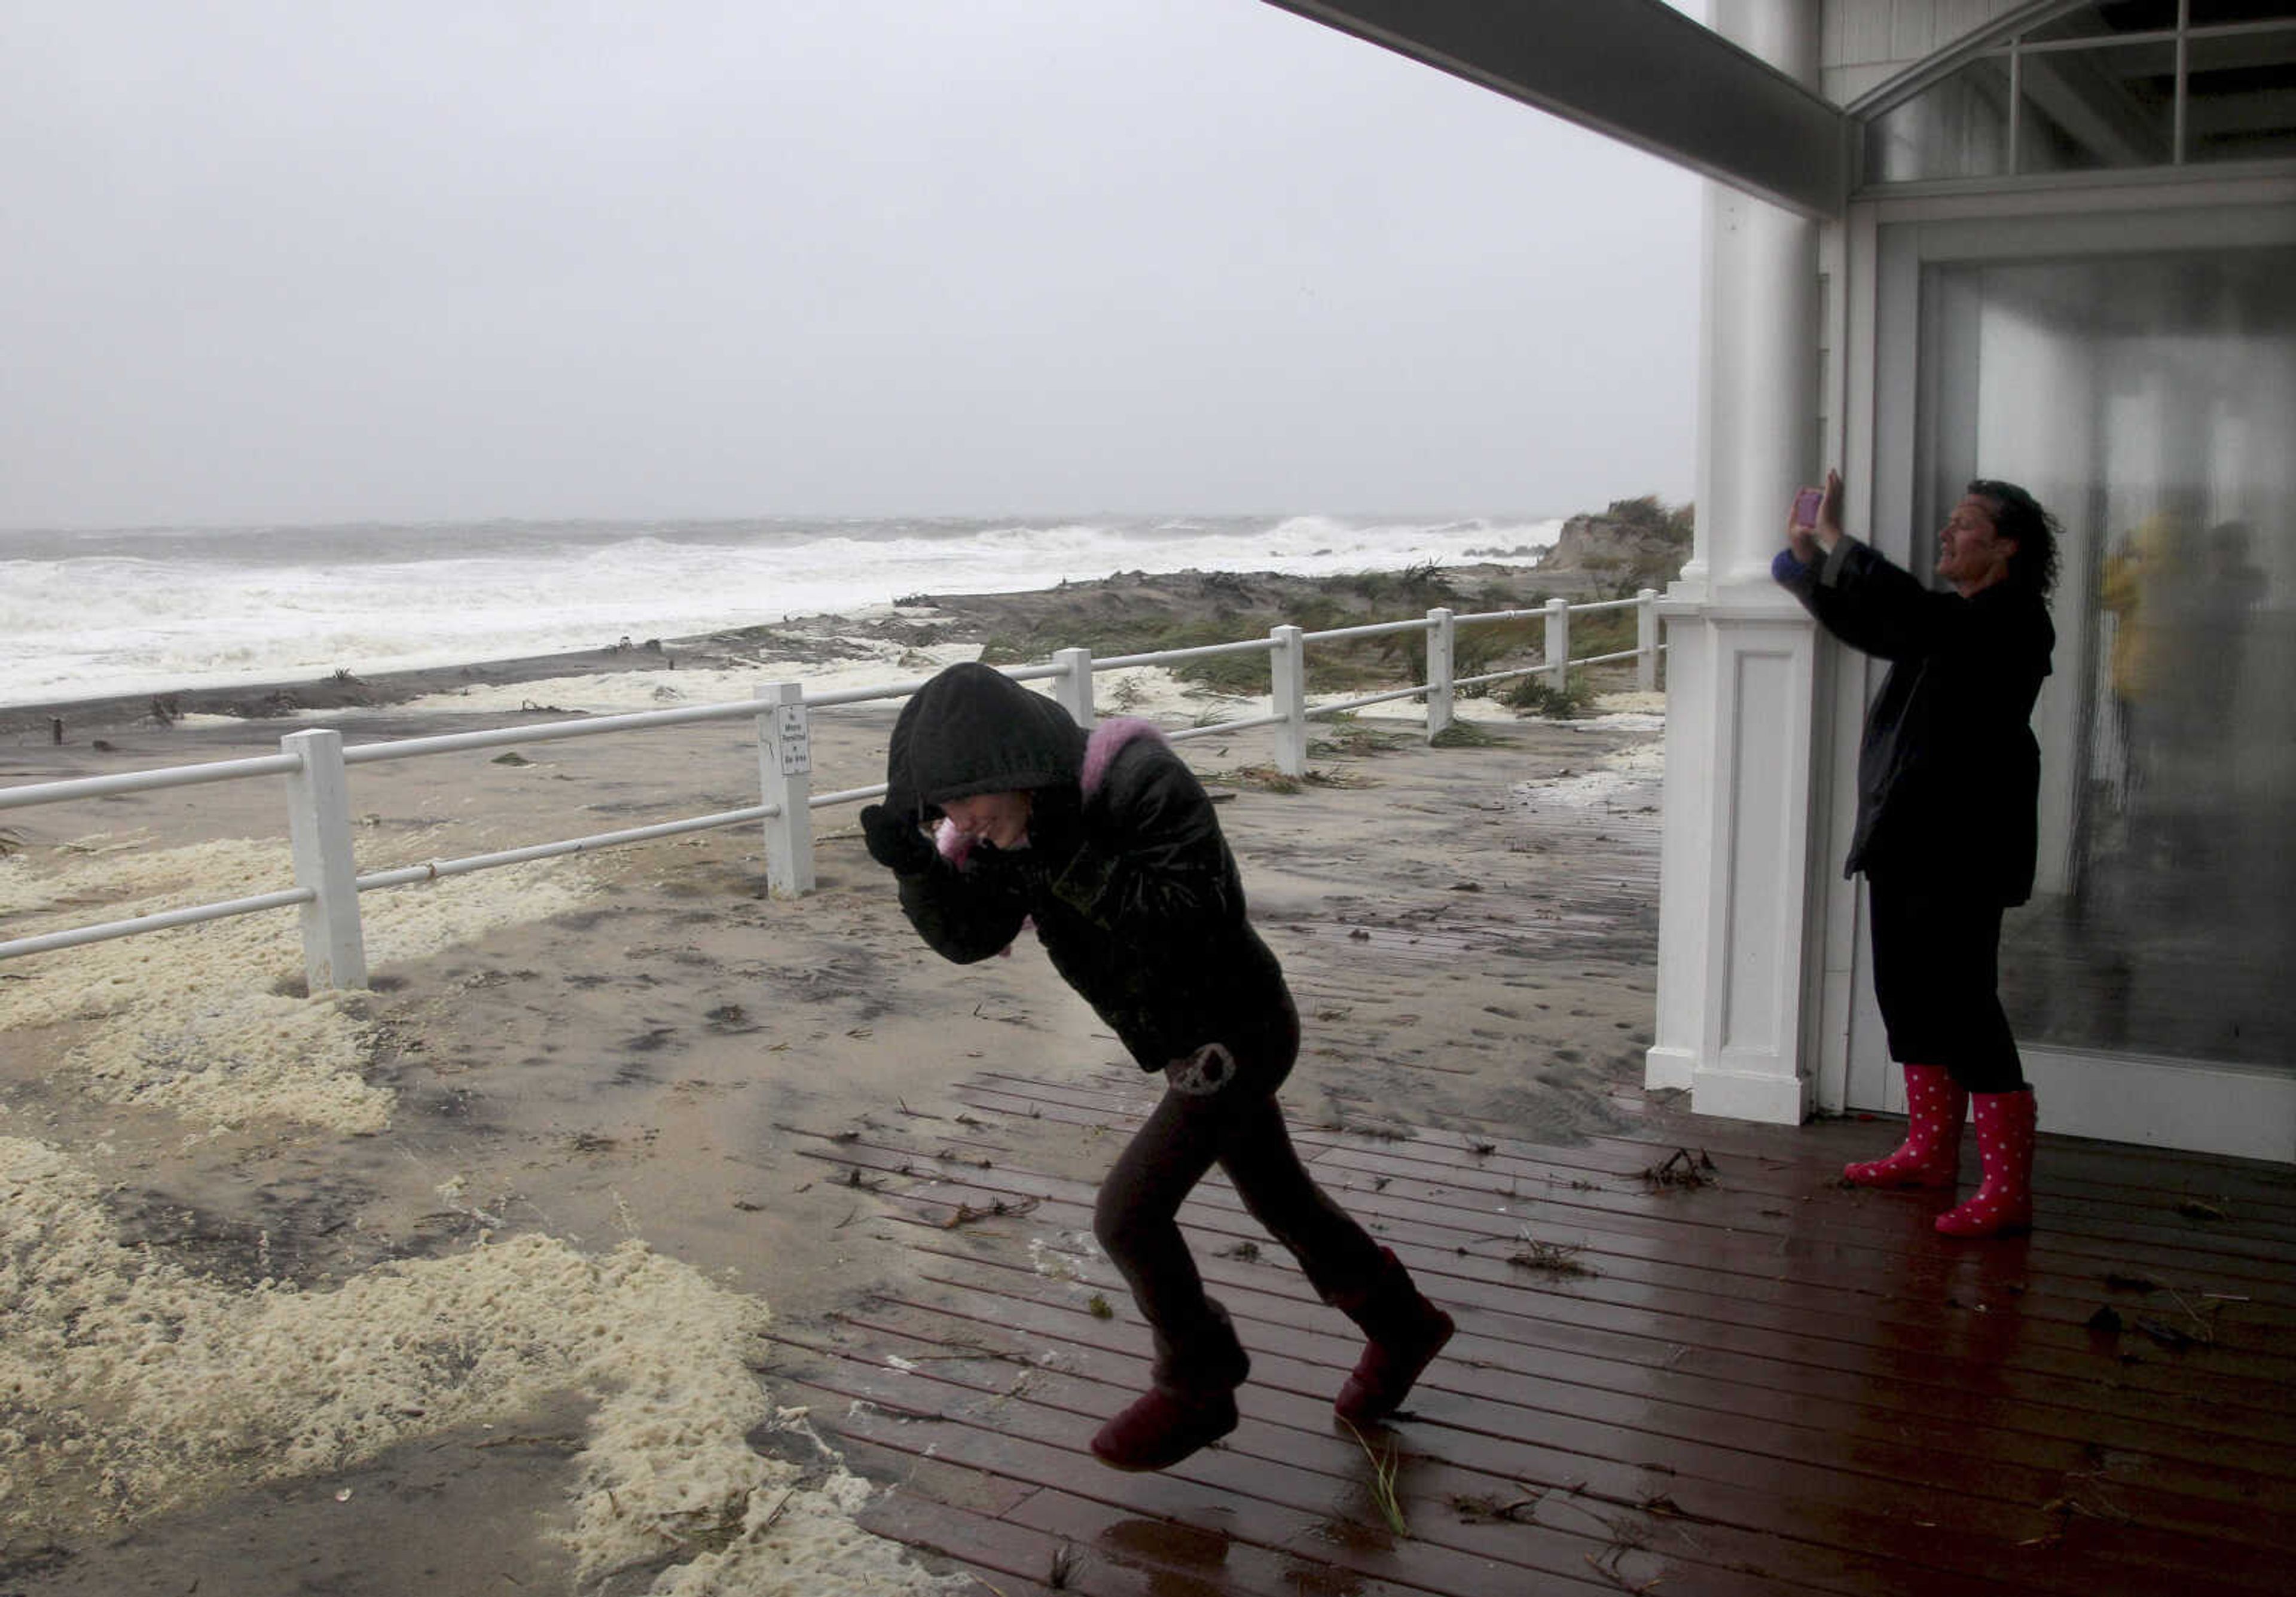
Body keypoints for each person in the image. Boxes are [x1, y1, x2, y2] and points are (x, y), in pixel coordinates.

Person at [857, 662, 1454, 1470]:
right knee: (1284, 1200)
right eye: (942, 809)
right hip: (1183, 1043)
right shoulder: (1007, 825)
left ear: (1011, 768)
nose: (958, 817)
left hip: (1241, 1025)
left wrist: (1062, 858)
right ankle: (1404, 1324)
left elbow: (1196, 916)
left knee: (1128, 1214)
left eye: (966, 797)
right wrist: (919, 869)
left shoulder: (1138, 781)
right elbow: (969, 937)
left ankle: (1199, 1381)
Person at [1773, 471, 2059, 1238]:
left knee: (1965, 1005)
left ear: (2007, 546)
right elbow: (1879, 626)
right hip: (1902, 836)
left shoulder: (2014, 621)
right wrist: (1804, 563)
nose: (1947, 534)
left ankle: (2008, 1189)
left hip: (1963, 847)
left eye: (1965, 524)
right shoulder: (1950, 619)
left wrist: (1838, 541)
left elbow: (1909, 613)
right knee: (1907, 997)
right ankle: (1932, 1152)